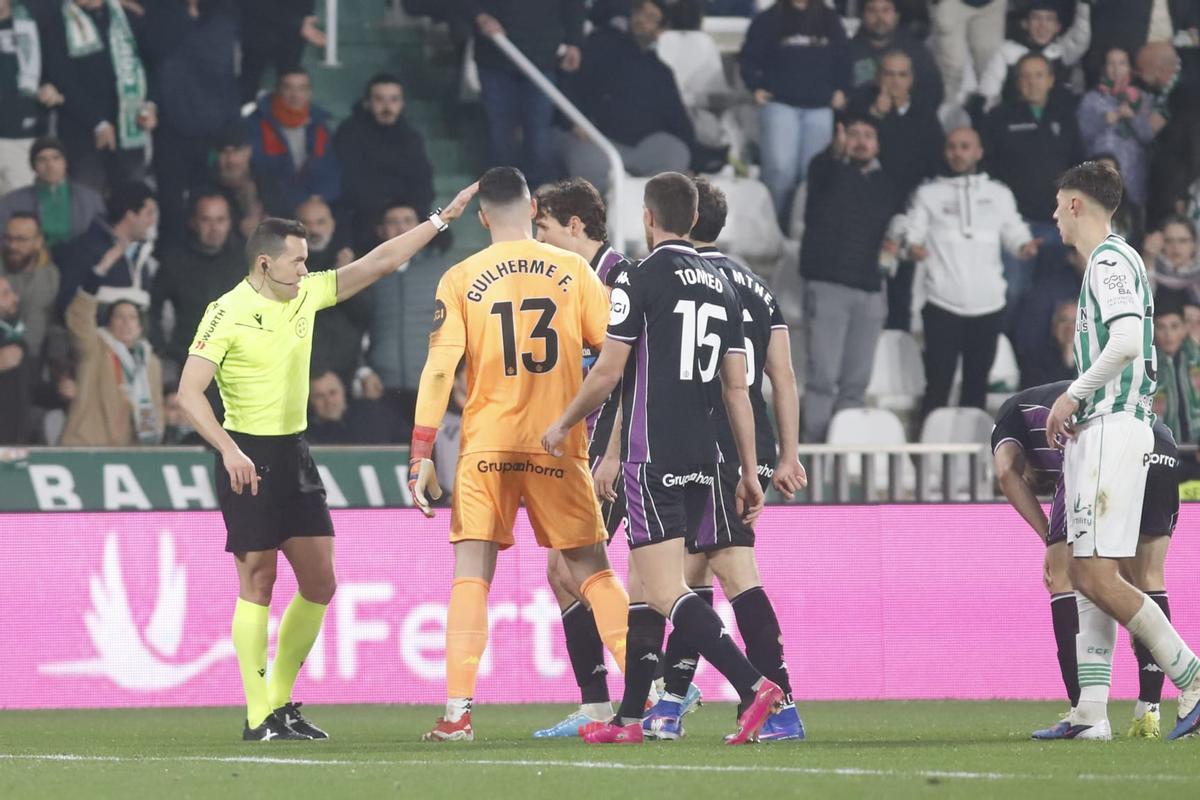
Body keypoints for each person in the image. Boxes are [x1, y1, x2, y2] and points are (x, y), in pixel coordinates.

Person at [175, 180, 478, 742]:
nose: (305, 269)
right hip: (247, 454)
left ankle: (280, 702)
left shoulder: (307, 294)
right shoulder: (227, 312)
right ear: (265, 264)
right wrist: (228, 449)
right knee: (258, 579)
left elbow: (380, 261)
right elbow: (189, 394)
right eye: (296, 261)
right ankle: (258, 716)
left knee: (320, 581)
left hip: (294, 452)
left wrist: (440, 220)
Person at [540, 172, 780, 746]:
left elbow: (609, 372)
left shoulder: (638, 278)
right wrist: (748, 470)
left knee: (665, 589)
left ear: (648, 218)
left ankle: (753, 686)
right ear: (694, 219)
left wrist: (564, 422)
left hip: (651, 455)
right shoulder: (723, 285)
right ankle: (629, 718)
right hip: (708, 455)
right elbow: (738, 388)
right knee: (646, 593)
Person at [405, 167, 630, 743]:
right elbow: (616, 357)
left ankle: (457, 713)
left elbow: (439, 370)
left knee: (471, 576)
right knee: (592, 571)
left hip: (487, 444)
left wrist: (421, 451)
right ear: (533, 209)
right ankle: (651, 694)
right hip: (557, 441)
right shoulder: (575, 271)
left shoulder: (459, 278)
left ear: (482, 218)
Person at [644, 177, 808, 741]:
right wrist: (786, 454)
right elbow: (782, 376)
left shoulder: (679, 279)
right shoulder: (757, 287)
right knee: (695, 573)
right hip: (751, 444)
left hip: (708, 444)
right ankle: (670, 704)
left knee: (732, 570)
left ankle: (779, 703)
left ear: (686, 218)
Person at [1043, 159, 1200, 740]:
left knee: (1093, 573)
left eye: (1058, 204)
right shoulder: (1117, 260)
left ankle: (1193, 677)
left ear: (1076, 204)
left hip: (1112, 423)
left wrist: (1072, 395)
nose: (1054, 215)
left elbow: (1129, 339)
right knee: (1091, 568)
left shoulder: (1109, 260)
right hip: (1109, 425)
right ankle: (1091, 712)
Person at [993, 380, 1181, 739]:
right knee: (1149, 579)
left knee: (1064, 576)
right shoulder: (1065, 395)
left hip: (1100, 446)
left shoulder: (1009, 417)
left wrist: (1050, 537)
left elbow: (1006, 473)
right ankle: (1150, 709)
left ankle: (1085, 712)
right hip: (1157, 441)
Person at [528, 177, 634, 738]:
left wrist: (611, 453)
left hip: (618, 452)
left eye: (542, 227)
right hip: (589, 450)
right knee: (568, 571)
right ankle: (609, 703)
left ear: (574, 225)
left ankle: (652, 691)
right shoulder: (574, 281)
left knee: (573, 569)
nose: (537, 239)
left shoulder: (617, 281)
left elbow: (626, 378)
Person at [891, 126, 1037, 417]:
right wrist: (911, 248)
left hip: (988, 304)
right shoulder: (928, 194)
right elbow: (912, 235)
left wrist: (1024, 246)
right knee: (937, 385)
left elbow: (1014, 231)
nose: (958, 153)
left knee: (976, 387)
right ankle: (928, 445)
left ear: (978, 152)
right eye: (952, 147)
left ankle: (972, 447)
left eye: (965, 146)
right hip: (942, 303)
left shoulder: (999, 194)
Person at [800, 116, 901, 442]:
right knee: (822, 378)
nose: (860, 141)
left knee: (856, 383)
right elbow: (823, 168)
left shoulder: (888, 183)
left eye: (868, 135)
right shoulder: (826, 171)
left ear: (878, 144)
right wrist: (835, 152)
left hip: (870, 291)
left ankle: (844, 453)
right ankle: (813, 455)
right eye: (854, 134)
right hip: (828, 286)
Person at [558, 0, 695, 194]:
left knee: (676, 152)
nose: (641, 19)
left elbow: (679, 120)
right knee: (588, 162)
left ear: (661, 30)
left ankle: (650, 207)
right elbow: (569, 83)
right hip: (595, 138)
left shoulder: (661, 72)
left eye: (651, 17)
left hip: (641, 145)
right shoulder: (600, 43)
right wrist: (575, 123)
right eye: (639, 12)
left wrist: (694, 163)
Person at [983, 52, 1083, 312]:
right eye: (1025, 76)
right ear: (1017, 82)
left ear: (1050, 80)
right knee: (1014, 292)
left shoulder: (1065, 117)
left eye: (1038, 75)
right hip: (1016, 225)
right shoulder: (999, 117)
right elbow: (987, 169)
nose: (1032, 82)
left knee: (1054, 295)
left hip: (1057, 225)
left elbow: (1080, 166)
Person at [739, 0, 850, 224]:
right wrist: (755, 86)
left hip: (819, 106)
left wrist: (842, 88)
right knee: (780, 171)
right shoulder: (768, 19)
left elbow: (844, 58)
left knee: (812, 176)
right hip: (780, 105)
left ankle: (804, 229)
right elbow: (748, 58)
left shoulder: (829, 19)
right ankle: (773, 227)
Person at [141, 0, 240, 246]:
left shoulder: (222, 19)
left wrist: (231, 133)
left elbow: (228, 76)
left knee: (213, 198)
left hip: (213, 129)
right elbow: (153, 65)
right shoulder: (159, 16)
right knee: (171, 203)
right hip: (171, 127)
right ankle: (171, 257)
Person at [462, 1, 584, 188]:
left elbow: (573, 5)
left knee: (538, 138)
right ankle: (502, 194)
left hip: (541, 59)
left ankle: (536, 195)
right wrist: (480, 16)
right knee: (500, 135)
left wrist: (574, 42)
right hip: (495, 56)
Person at [39, 0, 155, 194]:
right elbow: (62, 78)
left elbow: (150, 65)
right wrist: (97, 122)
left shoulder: (126, 17)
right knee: (88, 200)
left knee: (133, 198)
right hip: (82, 132)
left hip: (129, 127)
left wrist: (150, 104)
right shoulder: (56, 21)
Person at [61, 265, 163, 447]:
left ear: (140, 326)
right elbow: (79, 320)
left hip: (129, 449)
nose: (126, 323)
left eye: (132, 318)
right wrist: (95, 277)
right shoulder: (96, 347)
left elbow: (155, 405)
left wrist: (152, 441)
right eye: (119, 317)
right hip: (87, 444)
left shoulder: (150, 362)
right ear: (109, 323)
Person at [333, 73, 435, 253]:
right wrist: (385, 213)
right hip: (365, 214)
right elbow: (350, 181)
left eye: (394, 100)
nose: (387, 107)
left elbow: (422, 180)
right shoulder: (349, 133)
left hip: (405, 210)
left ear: (402, 104)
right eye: (380, 99)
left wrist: (409, 211)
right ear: (367, 103)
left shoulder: (411, 136)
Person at [150, 190, 244, 370]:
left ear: (230, 222)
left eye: (220, 220)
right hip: (187, 360)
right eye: (206, 220)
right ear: (193, 222)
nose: (214, 228)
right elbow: (154, 307)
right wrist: (160, 348)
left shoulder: (244, 261)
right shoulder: (175, 262)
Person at [296, 196, 370, 388]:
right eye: (306, 223)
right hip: (299, 371)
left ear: (332, 225)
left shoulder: (352, 261)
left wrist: (346, 276)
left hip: (348, 370)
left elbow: (366, 313)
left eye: (320, 222)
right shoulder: (283, 265)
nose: (313, 230)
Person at [245, 69, 340, 216]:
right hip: (269, 206)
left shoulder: (320, 125)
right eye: (288, 88)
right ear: (277, 90)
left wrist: (319, 197)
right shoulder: (255, 123)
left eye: (302, 88)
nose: (295, 95)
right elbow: (258, 171)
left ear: (309, 93)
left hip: (312, 207)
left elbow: (330, 169)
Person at [54, 181, 158, 314]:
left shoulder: (142, 256)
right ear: (130, 215)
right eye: (149, 214)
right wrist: (99, 271)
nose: (152, 221)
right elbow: (67, 306)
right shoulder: (83, 250)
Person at [973, 1, 1091, 114]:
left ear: (1057, 27)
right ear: (1025, 24)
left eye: (1049, 19)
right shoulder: (1006, 52)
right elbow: (988, 95)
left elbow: (1081, 36)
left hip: (1055, 121)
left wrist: (1084, 4)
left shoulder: (1061, 51)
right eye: (1036, 18)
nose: (1042, 25)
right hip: (1015, 120)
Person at [1077, 48, 1155, 208]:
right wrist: (1104, 120)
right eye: (1111, 63)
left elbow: (1148, 136)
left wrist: (1133, 118)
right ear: (1104, 68)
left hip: (1133, 178)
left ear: (1130, 68)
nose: (1116, 68)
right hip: (1100, 178)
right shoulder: (1091, 99)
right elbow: (1080, 135)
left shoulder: (1143, 99)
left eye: (1121, 63)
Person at [0, 136, 105, 247]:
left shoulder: (90, 199)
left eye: (56, 158)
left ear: (65, 162)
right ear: (33, 166)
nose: (50, 165)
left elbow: (103, 236)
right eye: (42, 160)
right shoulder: (12, 202)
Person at [0, 0, 57, 195]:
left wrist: (51, 87)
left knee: (23, 208)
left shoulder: (36, 23)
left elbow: (57, 69)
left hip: (23, 136)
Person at [848, 0, 943, 111]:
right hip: (862, 117)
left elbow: (934, 91)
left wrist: (904, 104)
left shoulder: (915, 50)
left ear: (896, 16)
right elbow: (844, 97)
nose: (879, 17)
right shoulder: (847, 52)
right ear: (862, 16)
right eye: (872, 10)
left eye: (885, 10)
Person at [239, 0, 325, 103]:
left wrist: (306, 16)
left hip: (290, 33)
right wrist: (301, 24)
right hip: (259, 31)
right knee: (249, 84)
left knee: (289, 82)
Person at [1, 212, 59, 366]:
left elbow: (32, 334)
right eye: (8, 238)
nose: (12, 246)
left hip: (25, 357)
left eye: (21, 239)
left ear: (38, 241)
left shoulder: (48, 277)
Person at [929, 0, 1006, 109]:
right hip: (950, 4)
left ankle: (992, 113)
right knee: (953, 65)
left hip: (991, 5)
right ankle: (946, 112)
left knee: (990, 65)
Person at [306, 370, 402, 445]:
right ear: (310, 401)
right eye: (319, 396)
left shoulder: (374, 415)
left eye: (333, 393)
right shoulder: (305, 437)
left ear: (343, 392)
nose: (328, 401)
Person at [1152, 300, 1200, 445]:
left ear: (1184, 329)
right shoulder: (1149, 366)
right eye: (1161, 327)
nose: (1168, 334)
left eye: (1174, 326)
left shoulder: (1196, 358)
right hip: (1164, 447)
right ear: (1153, 330)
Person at [0, 273, 31, 443]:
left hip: (15, 442)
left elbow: (30, 387)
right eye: (5, 294)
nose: (15, 298)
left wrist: (61, 390)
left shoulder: (18, 341)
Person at [1020, 298, 1077, 388]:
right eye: (1063, 320)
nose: (1069, 327)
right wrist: (1067, 353)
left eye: (1075, 321)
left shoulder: (1095, 357)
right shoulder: (1035, 359)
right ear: (1054, 326)